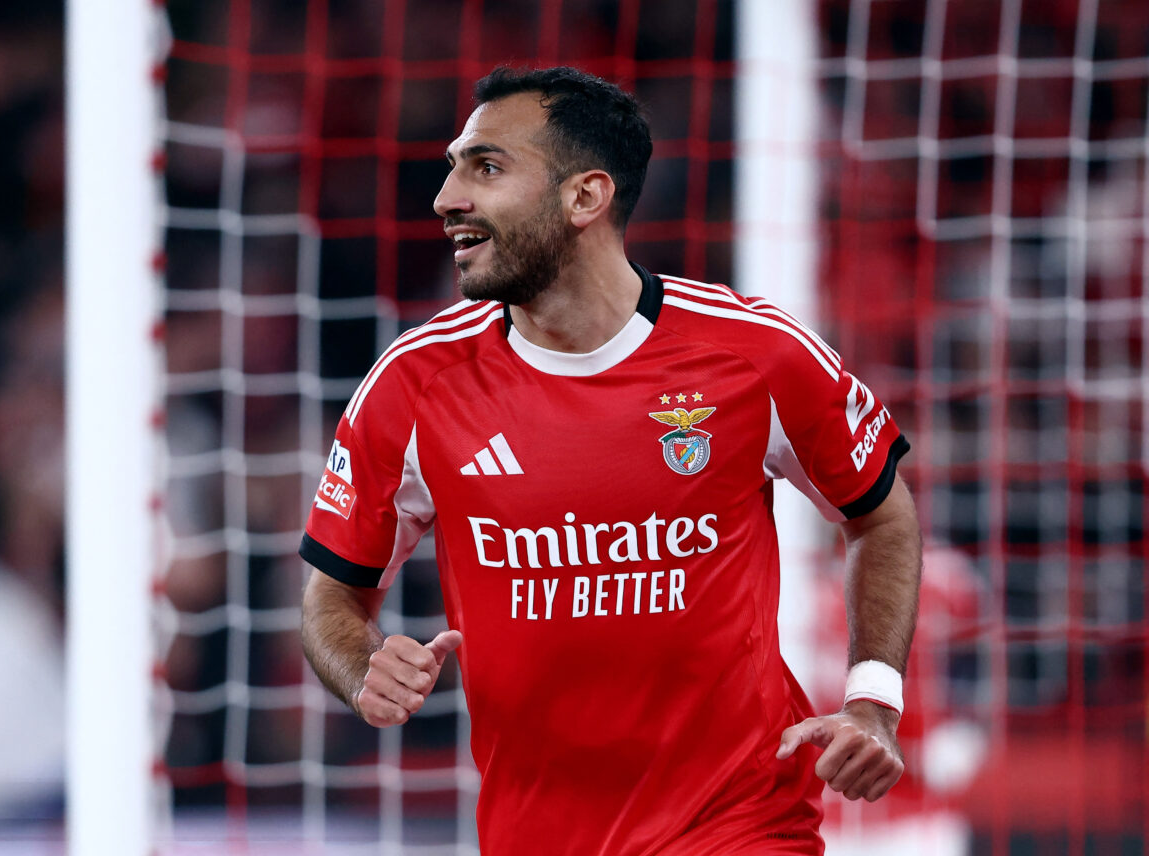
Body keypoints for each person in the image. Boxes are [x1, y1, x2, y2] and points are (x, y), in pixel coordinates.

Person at [299, 66, 921, 855]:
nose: (447, 197)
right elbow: (332, 595)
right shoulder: (412, 383)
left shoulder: (755, 354)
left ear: (586, 197)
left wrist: (873, 698)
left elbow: (881, 514)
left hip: (738, 821)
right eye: (454, 168)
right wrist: (363, 669)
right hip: (533, 832)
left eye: (485, 168)